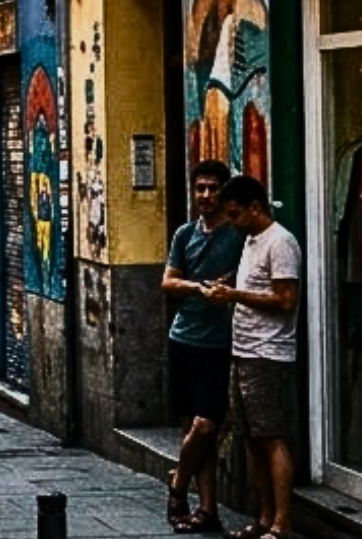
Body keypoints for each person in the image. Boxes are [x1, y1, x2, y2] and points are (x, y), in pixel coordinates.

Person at [205, 176, 303, 539]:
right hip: (243, 350)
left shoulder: (281, 242)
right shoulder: (250, 240)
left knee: (272, 436)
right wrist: (231, 285)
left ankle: (282, 522)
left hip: (268, 353)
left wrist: (234, 296)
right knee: (252, 439)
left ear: (255, 208)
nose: (231, 222)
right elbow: (257, 284)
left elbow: (286, 300)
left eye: (235, 214)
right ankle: (264, 517)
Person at [158, 160, 243, 534]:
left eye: (213, 188)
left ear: (225, 192)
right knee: (190, 428)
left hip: (221, 343)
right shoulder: (184, 235)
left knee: (206, 426)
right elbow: (168, 283)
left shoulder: (238, 235)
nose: (206, 195)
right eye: (200, 188)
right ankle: (207, 510)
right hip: (183, 339)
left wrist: (231, 287)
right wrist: (199, 287)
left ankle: (177, 484)